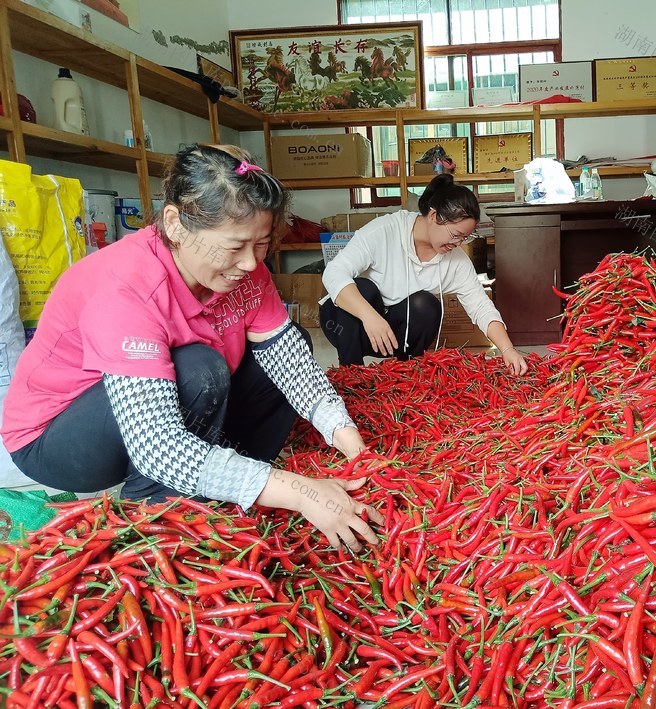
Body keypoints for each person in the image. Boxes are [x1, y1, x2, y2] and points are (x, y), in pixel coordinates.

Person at [1, 144, 381, 552]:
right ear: (176, 224)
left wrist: (347, 438)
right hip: (60, 439)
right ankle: (153, 512)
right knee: (199, 369)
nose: (252, 264)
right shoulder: (126, 287)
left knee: (288, 346)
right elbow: (156, 443)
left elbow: (291, 364)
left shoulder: (244, 273)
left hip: (159, 414)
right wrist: (300, 492)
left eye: (261, 245)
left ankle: (229, 476)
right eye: (235, 246)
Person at [320, 174, 529, 375]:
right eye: (455, 235)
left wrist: (507, 349)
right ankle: (351, 377)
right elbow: (334, 272)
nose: (457, 244)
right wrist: (370, 316)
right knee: (364, 288)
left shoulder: (456, 261)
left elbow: (481, 307)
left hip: (391, 335)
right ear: (433, 216)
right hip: (347, 325)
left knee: (425, 304)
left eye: (464, 238)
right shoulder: (386, 230)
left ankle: (406, 373)